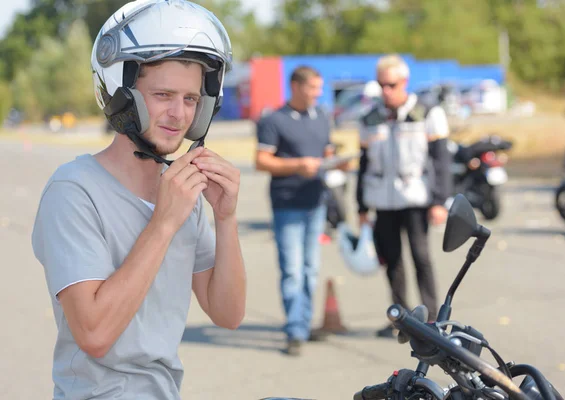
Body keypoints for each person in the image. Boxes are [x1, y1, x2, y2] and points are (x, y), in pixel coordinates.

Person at [31, 1, 246, 398]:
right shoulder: (74, 190)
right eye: (163, 94)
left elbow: (228, 314)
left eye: (191, 99)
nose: (179, 114)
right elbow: (94, 334)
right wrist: (163, 223)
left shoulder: (183, 192)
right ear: (121, 96)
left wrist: (225, 217)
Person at [356, 54, 452, 338]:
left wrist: (439, 201)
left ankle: (432, 320)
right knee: (391, 260)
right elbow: (363, 165)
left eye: (391, 85)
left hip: (416, 199)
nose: (386, 91)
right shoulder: (369, 118)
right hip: (383, 202)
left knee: (421, 257)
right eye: (381, 85)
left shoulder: (428, 113)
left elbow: (442, 162)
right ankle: (401, 318)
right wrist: (361, 206)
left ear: (405, 82)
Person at [255, 66, 347, 356]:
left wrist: (337, 162)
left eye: (319, 89)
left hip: (315, 201)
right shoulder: (273, 120)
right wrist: (298, 165)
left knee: (310, 269)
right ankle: (294, 330)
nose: (318, 94)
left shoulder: (321, 116)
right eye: (313, 88)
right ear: (295, 86)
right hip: (287, 204)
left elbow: (327, 152)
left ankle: (304, 324)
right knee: (292, 270)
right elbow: (261, 160)